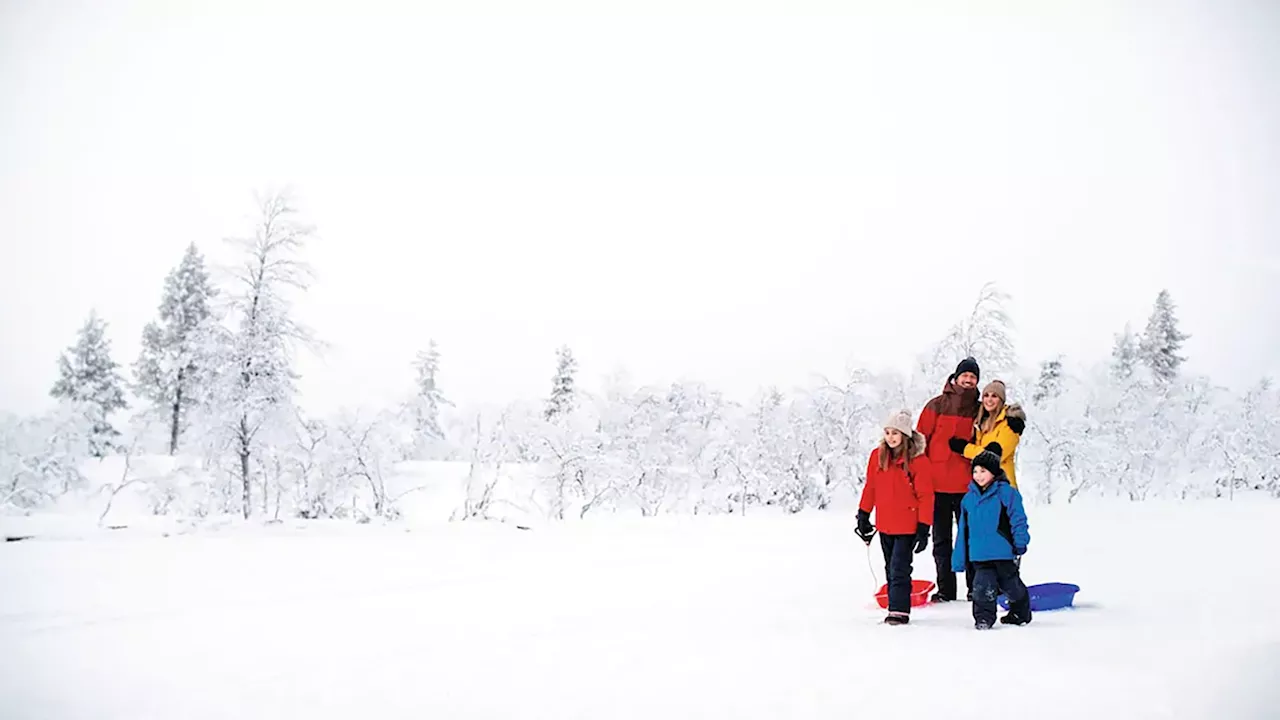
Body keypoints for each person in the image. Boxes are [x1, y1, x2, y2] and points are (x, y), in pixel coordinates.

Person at [855, 410, 934, 625]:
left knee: (900, 568)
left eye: (895, 433)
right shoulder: (877, 456)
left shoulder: (918, 461)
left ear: (905, 435)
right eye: (887, 432)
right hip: (885, 524)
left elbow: (926, 495)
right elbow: (871, 486)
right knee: (890, 567)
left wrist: (924, 527)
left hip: (908, 525)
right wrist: (863, 514)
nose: (890, 437)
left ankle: (899, 611)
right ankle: (893, 606)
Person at [917, 356, 981, 602]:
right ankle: (946, 590)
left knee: (971, 539)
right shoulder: (936, 405)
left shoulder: (978, 409)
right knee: (941, 540)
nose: (968, 380)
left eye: (973, 377)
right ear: (955, 377)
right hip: (937, 486)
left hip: (968, 486)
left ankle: (975, 588)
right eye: (965, 375)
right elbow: (920, 442)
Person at [952, 442, 1031, 630]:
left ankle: (1019, 612)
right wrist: (959, 559)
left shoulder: (1007, 494)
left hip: (1003, 552)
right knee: (981, 588)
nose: (978, 476)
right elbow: (963, 530)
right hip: (979, 555)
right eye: (975, 471)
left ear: (994, 472)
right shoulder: (968, 499)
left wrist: (1020, 542)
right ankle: (983, 619)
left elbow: (1018, 519)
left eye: (983, 471)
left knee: (1012, 586)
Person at [952, 379, 1027, 488]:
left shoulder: (1010, 424)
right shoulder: (981, 422)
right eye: (986, 396)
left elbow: (994, 456)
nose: (989, 400)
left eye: (994, 396)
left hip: (1003, 488)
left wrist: (965, 449)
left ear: (1001, 400)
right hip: (985, 487)